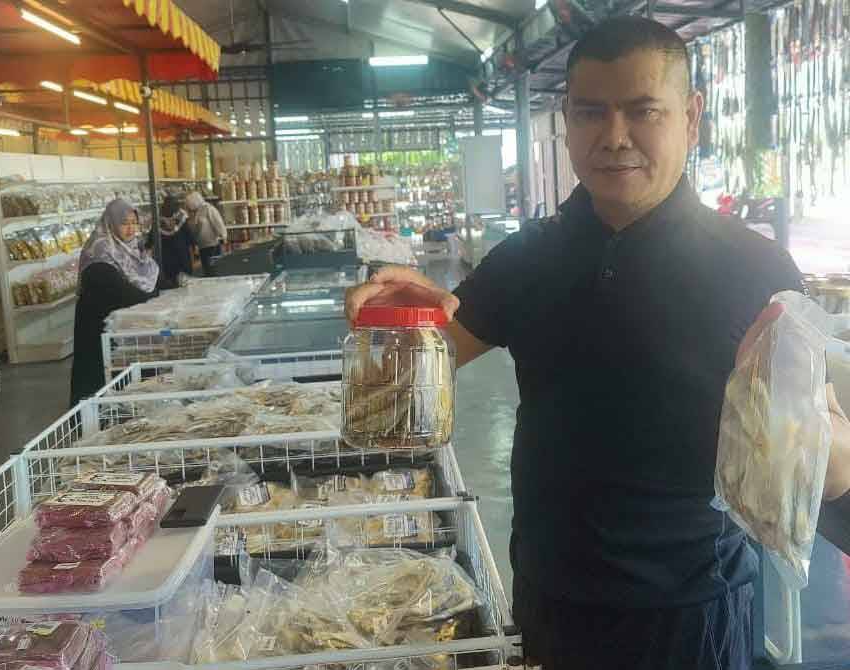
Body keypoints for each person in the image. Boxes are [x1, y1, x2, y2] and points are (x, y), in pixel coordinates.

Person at [346, 17, 850, 669]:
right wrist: (394, 327)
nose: (613, 137)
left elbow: (813, 465)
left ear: (691, 117)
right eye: (590, 113)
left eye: (643, 111)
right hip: (551, 599)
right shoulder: (527, 258)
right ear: (566, 120)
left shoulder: (755, 271)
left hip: (694, 609)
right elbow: (400, 401)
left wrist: (822, 455)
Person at [69, 198, 159, 406]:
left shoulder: (131, 247)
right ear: (111, 223)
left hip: (122, 328)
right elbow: (121, 292)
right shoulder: (99, 251)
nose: (130, 229)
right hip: (99, 328)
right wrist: (153, 297)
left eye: (134, 223)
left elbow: (148, 274)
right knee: (98, 385)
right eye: (124, 223)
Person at [148, 195, 194, 288]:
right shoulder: (181, 218)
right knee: (185, 283)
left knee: (170, 282)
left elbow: (152, 237)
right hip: (181, 254)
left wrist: (147, 246)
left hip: (166, 255)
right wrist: (193, 246)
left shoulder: (158, 220)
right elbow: (188, 234)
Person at [183, 191, 227, 276]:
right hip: (202, 247)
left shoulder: (209, 209)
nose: (189, 208)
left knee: (214, 268)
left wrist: (223, 237)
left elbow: (218, 223)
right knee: (207, 269)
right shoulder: (194, 213)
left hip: (213, 245)